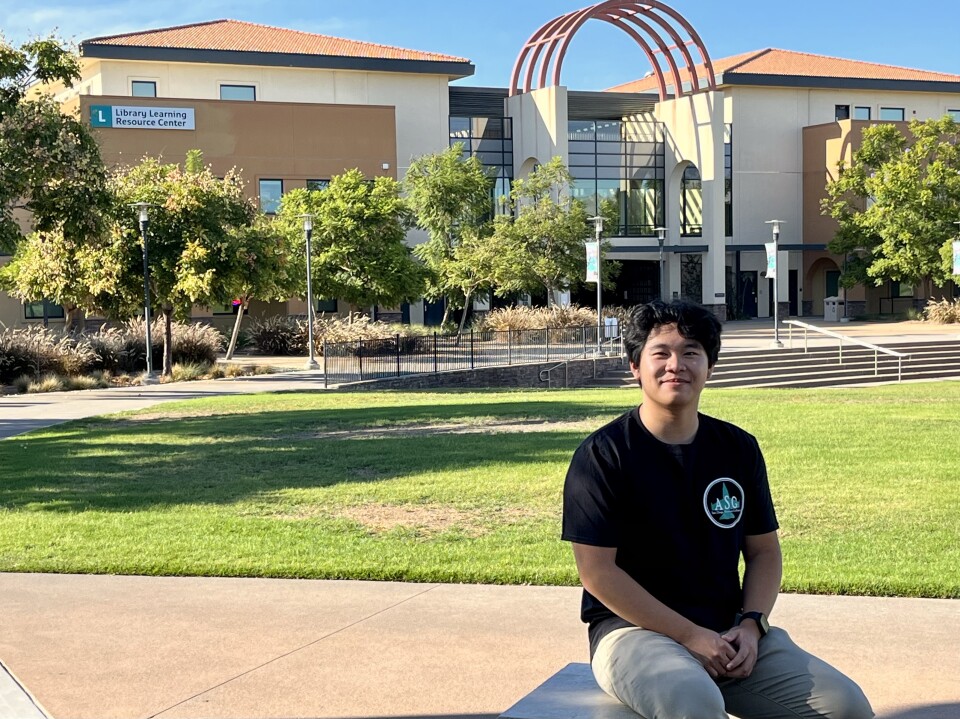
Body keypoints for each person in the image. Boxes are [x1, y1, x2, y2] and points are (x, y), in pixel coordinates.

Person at [562, 299, 873, 719]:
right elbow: (597, 573)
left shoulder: (737, 448)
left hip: (729, 631)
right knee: (695, 701)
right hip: (633, 633)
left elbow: (764, 552)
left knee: (845, 707)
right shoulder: (603, 455)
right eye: (661, 352)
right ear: (636, 367)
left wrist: (752, 624)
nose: (676, 364)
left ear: (709, 367)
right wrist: (689, 635)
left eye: (691, 352)